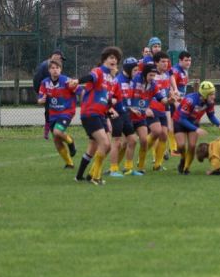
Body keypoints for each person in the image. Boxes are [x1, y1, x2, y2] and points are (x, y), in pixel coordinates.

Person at [69, 46, 122, 186]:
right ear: (104, 59)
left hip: (101, 115)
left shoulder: (111, 80)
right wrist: (77, 80)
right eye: (111, 57)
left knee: (97, 147)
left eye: (116, 59)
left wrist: (111, 108)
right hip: (90, 113)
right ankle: (94, 176)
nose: (114, 60)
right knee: (105, 144)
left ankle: (81, 176)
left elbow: (104, 99)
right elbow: (90, 77)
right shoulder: (98, 71)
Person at [173, 80, 220, 174]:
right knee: (181, 146)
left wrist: (219, 124)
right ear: (204, 95)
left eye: (214, 93)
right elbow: (182, 119)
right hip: (180, 122)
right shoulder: (190, 100)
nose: (214, 96)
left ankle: (186, 168)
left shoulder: (210, 102)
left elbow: (211, 115)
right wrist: (196, 129)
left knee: (192, 146)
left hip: (193, 123)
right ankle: (183, 159)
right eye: (211, 94)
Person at [37, 60, 79, 169]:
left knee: (57, 131)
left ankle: (71, 142)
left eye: (57, 68)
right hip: (53, 114)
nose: (55, 70)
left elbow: (80, 90)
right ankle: (69, 163)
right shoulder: (45, 83)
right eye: (53, 68)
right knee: (56, 140)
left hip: (66, 112)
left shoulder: (66, 81)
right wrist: (41, 100)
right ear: (49, 70)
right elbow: (40, 98)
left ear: (60, 69)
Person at [129, 63, 169, 173]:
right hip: (128, 114)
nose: (152, 78)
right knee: (123, 143)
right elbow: (127, 96)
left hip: (141, 116)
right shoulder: (135, 80)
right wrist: (133, 108)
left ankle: (140, 168)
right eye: (150, 75)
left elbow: (161, 98)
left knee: (143, 141)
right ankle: (116, 168)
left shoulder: (153, 84)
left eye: (154, 75)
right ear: (145, 73)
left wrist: (170, 100)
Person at [109, 57, 144, 176]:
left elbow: (124, 100)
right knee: (117, 142)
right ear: (128, 70)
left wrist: (131, 108)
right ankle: (113, 170)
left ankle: (128, 169)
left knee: (133, 140)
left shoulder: (131, 81)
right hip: (116, 115)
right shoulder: (117, 81)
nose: (137, 73)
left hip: (126, 114)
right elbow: (109, 99)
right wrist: (111, 111)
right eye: (135, 70)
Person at [146, 51, 173, 172]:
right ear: (156, 62)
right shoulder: (151, 75)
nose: (165, 64)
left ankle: (158, 164)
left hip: (163, 108)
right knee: (156, 132)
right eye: (162, 61)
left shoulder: (167, 75)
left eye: (166, 61)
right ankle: (142, 153)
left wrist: (172, 95)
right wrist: (146, 108)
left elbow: (166, 91)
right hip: (152, 108)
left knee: (163, 135)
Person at [33, 49, 66, 139]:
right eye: (60, 58)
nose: (61, 61)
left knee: (52, 111)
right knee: (50, 111)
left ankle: (52, 131)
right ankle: (49, 132)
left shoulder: (51, 65)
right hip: (48, 93)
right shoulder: (47, 66)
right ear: (54, 57)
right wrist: (41, 94)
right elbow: (38, 80)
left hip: (51, 92)